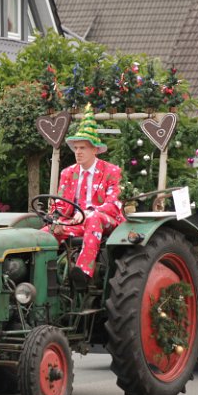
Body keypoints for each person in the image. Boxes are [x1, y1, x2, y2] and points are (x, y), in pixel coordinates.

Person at [45, 104, 124, 287]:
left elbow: (113, 204)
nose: (78, 152)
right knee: (42, 235)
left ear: (95, 150)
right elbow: (60, 205)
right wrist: (55, 220)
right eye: (76, 148)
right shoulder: (68, 173)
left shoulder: (111, 171)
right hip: (75, 223)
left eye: (83, 148)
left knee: (94, 218)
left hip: (105, 221)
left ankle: (83, 273)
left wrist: (88, 212)